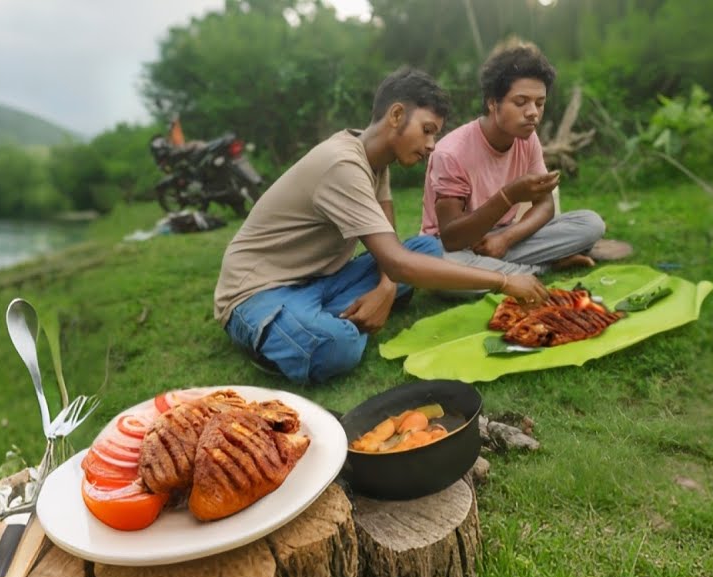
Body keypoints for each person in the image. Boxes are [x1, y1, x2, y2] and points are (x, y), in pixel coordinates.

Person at [214, 67, 550, 384]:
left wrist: (386, 290)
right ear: (396, 115)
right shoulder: (342, 164)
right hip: (259, 292)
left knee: (428, 249)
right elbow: (397, 262)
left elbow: (392, 246)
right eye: (427, 130)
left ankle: (317, 318)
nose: (431, 145)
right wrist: (504, 281)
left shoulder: (376, 160)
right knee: (339, 346)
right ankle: (284, 336)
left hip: (321, 280)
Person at [421, 40, 631, 279]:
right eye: (521, 102)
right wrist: (508, 196)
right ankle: (545, 266)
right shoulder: (451, 152)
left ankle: (495, 272)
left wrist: (505, 239)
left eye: (539, 103)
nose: (533, 112)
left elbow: (545, 205)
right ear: (493, 102)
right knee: (446, 266)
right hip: (452, 248)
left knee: (591, 223)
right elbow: (452, 238)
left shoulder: (528, 139)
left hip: (502, 238)